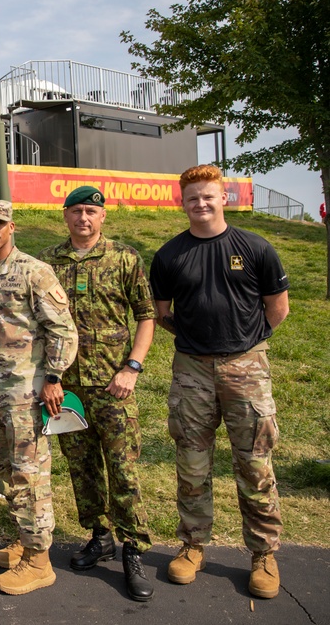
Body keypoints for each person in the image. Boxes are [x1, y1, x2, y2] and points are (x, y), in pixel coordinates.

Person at [151, 164, 289, 600]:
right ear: (183, 202)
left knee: (254, 463)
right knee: (192, 463)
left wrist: (247, 344)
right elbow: (161, 312)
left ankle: (264, 554)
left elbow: (277, 308)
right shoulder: (169, 255)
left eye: (208, 195)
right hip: (192, 369)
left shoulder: (255, 247)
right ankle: (193, 546)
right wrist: (197, 342)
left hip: (246, 367)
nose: (201, 203)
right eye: (192, 197)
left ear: (223, 197)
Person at [37, 186, 155, 602]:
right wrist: (50, 377)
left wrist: (132, 367)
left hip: (113, 384)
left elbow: (146, 316)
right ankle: (100, 535)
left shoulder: (125, 258)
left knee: (123, 469)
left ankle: (133, 550)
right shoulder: (48, 262)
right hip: (67, 387)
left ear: (102, 216)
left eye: (91, 211)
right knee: (82, 469)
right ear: (64, 215)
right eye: (76, 211)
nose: (83, 218)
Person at [0, 199, 78, 596]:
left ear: (11, 227)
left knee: (30, 476)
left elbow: (63, 329)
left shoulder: (34, 271)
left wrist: (53, 377)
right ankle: (23, 537)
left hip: (27, 394)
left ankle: (39, 559)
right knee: (1, 469)